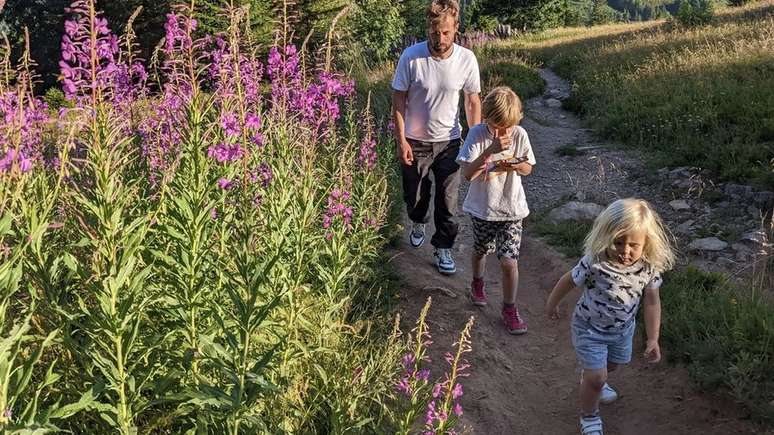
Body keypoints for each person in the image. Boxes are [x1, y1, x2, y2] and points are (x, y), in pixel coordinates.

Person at [544, 198, 676, 435]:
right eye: (618, 242)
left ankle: (592, 379)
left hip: (622, 332)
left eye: (633, 245)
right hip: (589, 329)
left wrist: (653, 339)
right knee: (597, 377)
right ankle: (589, 416)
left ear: (646, 244)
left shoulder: (648, 268)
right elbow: (568, 280)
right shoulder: (595, 261)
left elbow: (652, 301)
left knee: (611, 366)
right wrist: (552, 303)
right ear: (606, 236)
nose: (625, 251)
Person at [391, 0, 481, 275]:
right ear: (427, 28)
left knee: (448, 200)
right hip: (415, 141)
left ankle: (444, 247)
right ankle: (418, 221)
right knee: (415, 197)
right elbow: (398, 100)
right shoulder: (411, 57)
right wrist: (401, 140)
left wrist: (474, 143)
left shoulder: (466, 59)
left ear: (456, 28)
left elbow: (472, 101)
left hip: (450, 141)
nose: (439, 39)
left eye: (445, 32)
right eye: (434, 32)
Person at [456, 86, 535, 334]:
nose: (503, 132)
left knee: (509, 262)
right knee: (481, 250)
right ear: (487, 119)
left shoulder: (520, 135)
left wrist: (513, 164)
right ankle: (477, 283)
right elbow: (468, 174)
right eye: (497, 126)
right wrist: (490, 151)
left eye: (508, 126)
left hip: (512, 208)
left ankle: (509, 308)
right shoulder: (477, 135)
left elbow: (528, 167)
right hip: (483, 208)